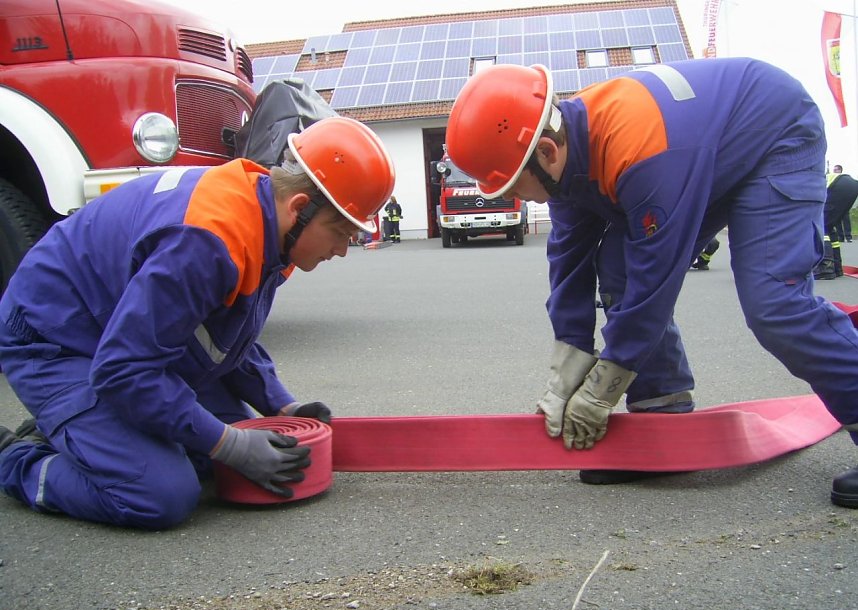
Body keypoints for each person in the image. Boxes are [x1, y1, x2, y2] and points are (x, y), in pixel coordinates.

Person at [446, 59, 858, 506]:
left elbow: (654, 282)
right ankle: (663, 427)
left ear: (546, 151)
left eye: (511, 185)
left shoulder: (641, 150)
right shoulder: (566, 154)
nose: (510, 196)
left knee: (776, 305)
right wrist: (567, 368)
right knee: (618, 264)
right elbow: (568, 260)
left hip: (773, 136)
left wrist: (603, 387)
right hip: (701, 151)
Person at [0, 117, 396, 528]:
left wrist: (281, 404)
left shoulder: (267, 224)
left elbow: (223, 334)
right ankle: (18, 459)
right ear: (299, 207)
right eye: (340, 232)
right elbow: (122, 370)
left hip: (118, 336)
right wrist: (231, 445)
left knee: (219, 451)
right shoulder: (207, 241)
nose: (342, 250)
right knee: (159, 493)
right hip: (53, 340)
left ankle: (81, 429)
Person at [814, 164, 858, 279]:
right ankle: (837, 267)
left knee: (821, 225)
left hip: (840, 185)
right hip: (850, 185)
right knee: (829, 227)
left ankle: (826, 267)